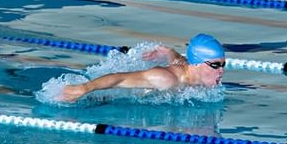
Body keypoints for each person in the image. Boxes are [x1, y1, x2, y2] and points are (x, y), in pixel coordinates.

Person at [59, 34, 226, 101]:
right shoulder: (166, 79)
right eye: (216, 65)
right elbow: (120, 78)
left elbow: (179, 60)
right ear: (196, 64)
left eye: (223, 64)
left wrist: (168, 51)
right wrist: (84, 88)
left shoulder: (188, 68)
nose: (221, 70)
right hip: (113, 97)